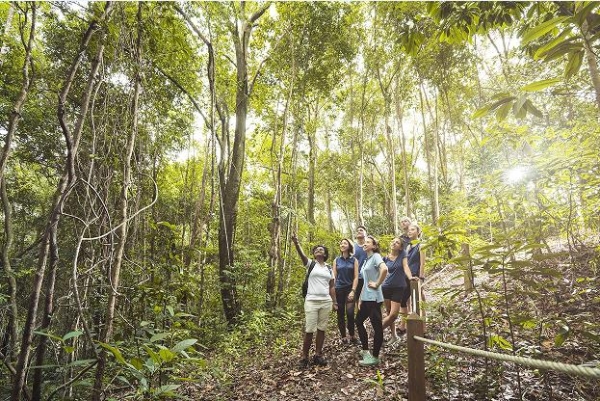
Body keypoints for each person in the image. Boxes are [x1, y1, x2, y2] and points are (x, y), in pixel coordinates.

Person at [291, 233, 337, 368]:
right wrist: (296, 242)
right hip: (311, 300)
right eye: (316, 250)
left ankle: (318, 355)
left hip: (326, 302)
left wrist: (334, 302)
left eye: (321, 249)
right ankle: (304, 357)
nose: (318, 251)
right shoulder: (310, 264)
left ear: (325, 254)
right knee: (309, 329)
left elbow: (332, 286)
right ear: (314, 253)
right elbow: (302, 255)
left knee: (322, 329)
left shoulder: (329, 268)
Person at [356, 235, 388, 366]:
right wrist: (360, 298)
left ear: (374, 246)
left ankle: (375, 357)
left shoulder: (376, 256)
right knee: (358, 321)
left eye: (368, 242)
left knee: (377, 327)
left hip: (374, 298)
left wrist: (377, 283)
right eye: (365, 242)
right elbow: (364, 282)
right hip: (365, 298)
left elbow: (384, 269)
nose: (365, 243)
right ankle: (365, 350)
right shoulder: (365, 261)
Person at [381, 237, 415, 344]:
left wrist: (410, 278)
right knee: (388, 312)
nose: (394, 243)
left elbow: (406, 267)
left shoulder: (402, 255)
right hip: (386, 287)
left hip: (399, 287)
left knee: (394, 315)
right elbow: (380, 272)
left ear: (400, 247)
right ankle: (394, 335)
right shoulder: (385, 258)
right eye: (393, 242)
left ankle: (377, 330)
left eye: (397, 243)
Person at [398, 223, 426, 333]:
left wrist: (421, 277)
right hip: (407, 277)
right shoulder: (409, 246)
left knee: (419, 302)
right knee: (403, 300)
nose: (410, 231)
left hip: (416, 277)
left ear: (418, 232)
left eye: (413, 229)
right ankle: (403, 325)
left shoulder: (421, 245)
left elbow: (423, 263)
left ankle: (423, 328)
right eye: (409, 230)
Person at [332, 238, 359, 344]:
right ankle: (343, 336)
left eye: (345, 243)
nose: (342, 245)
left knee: (350, 313)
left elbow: (356, 277)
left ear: (349, 246)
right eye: (341, 243)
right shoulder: (336, 260)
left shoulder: (354, 260)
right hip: (338, 289)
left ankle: (352, 335)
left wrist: (353, 290)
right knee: (340, 313)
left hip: (349, 289)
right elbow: (334, 277)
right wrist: (332, 293)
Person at [353, 225, 368, 301]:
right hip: (356, 277)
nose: (359, 231)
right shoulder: (353, 247)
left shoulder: (369, 246)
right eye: (358, 230)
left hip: (368, 277)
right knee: (357, 299)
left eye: (361, 230)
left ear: (366, 233)